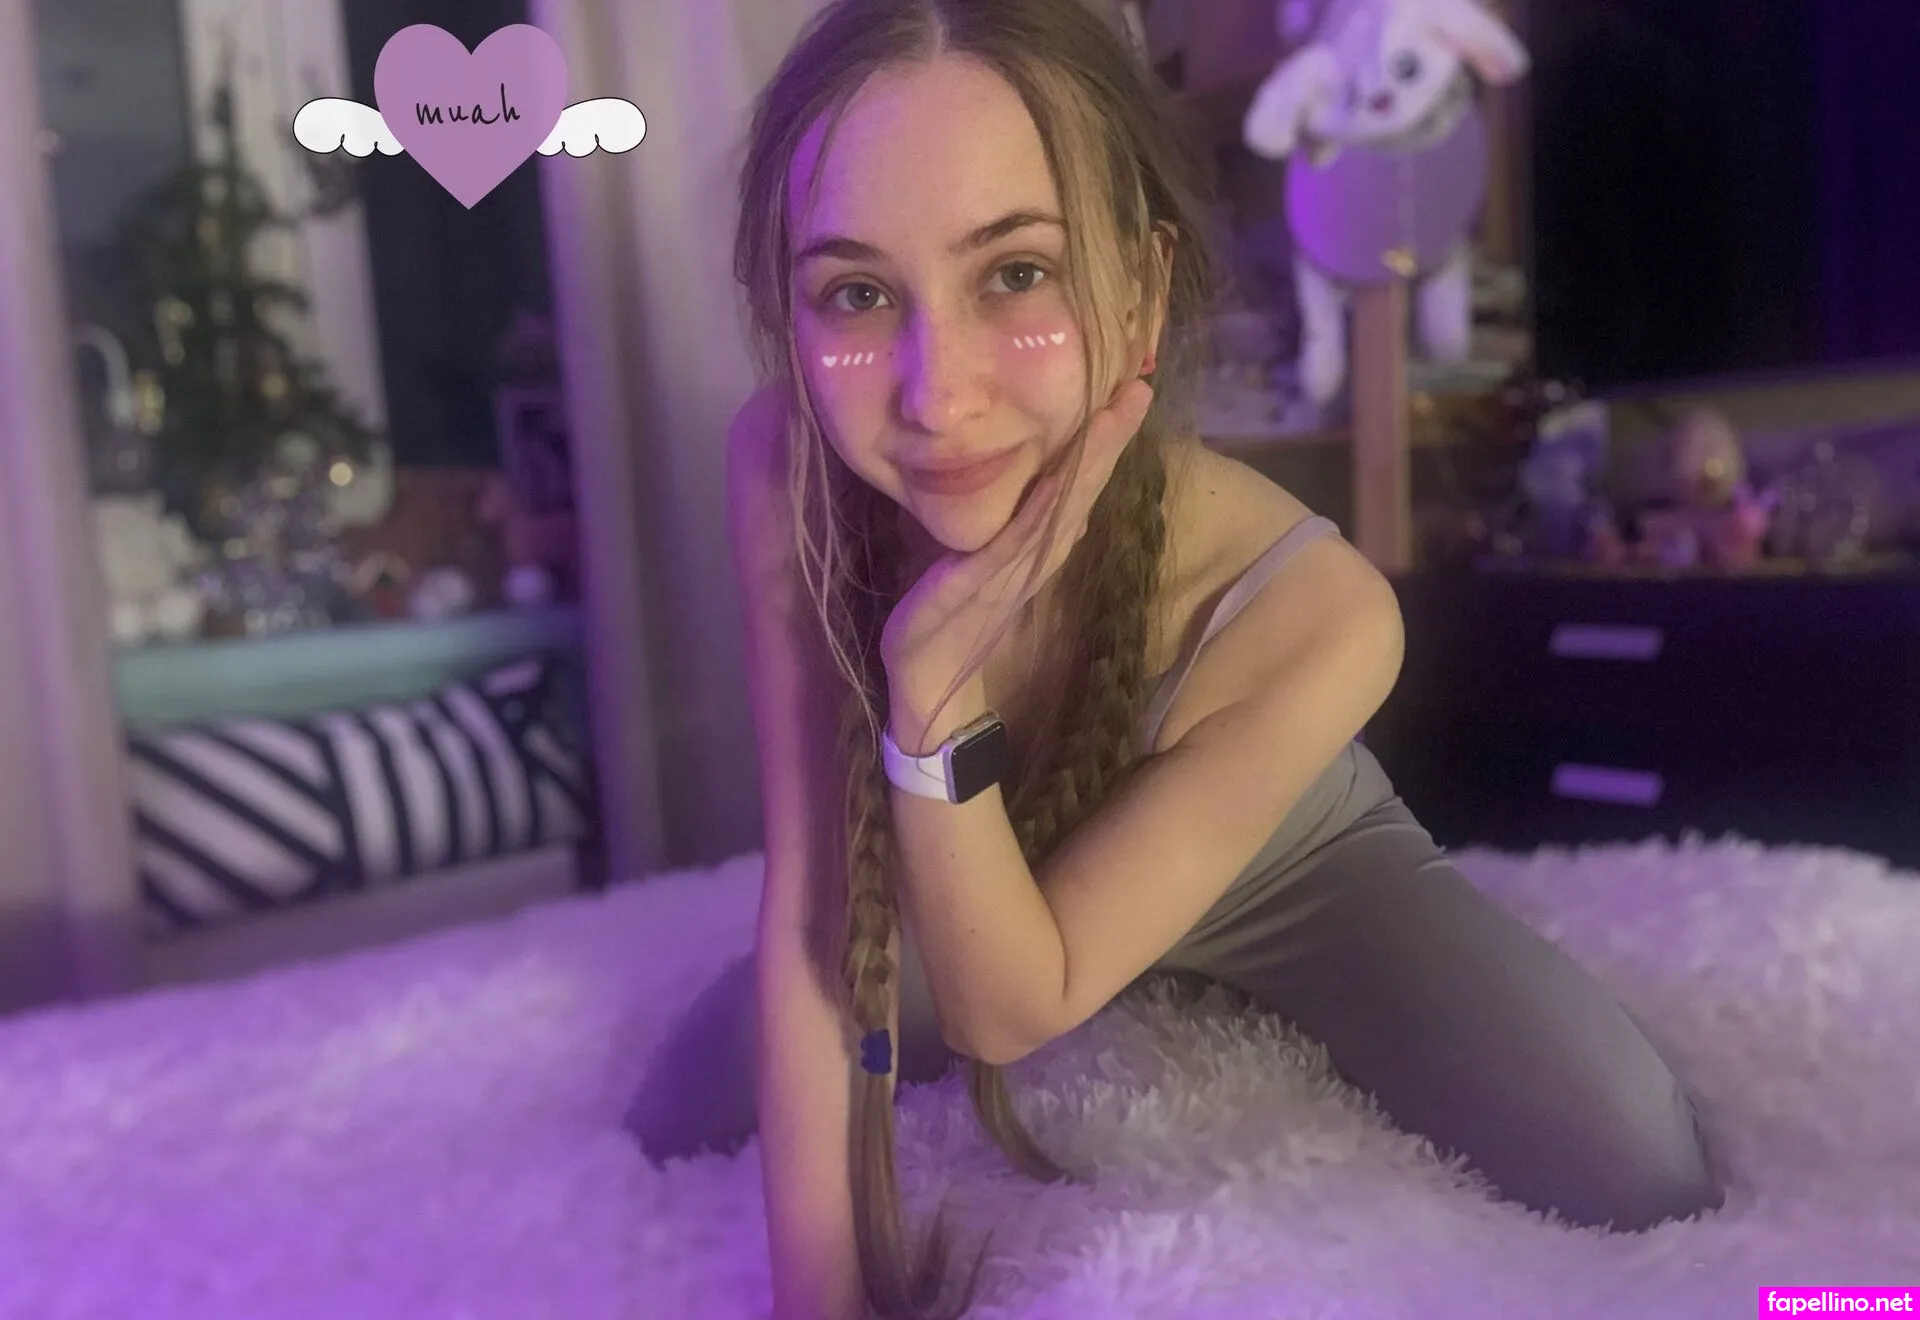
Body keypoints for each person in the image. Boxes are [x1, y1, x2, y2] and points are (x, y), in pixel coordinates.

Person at [626, 3, 1726, 1317]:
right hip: (982, 856)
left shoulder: (1319, 609)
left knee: (1634, 1157)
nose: (936, 394)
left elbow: (1008, 1014)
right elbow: (818, 901)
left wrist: (931, 702)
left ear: (1140, 291)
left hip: (1288, 866)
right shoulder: (786, 465)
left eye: (1016, 274)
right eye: (856, 294)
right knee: (676, 1112)